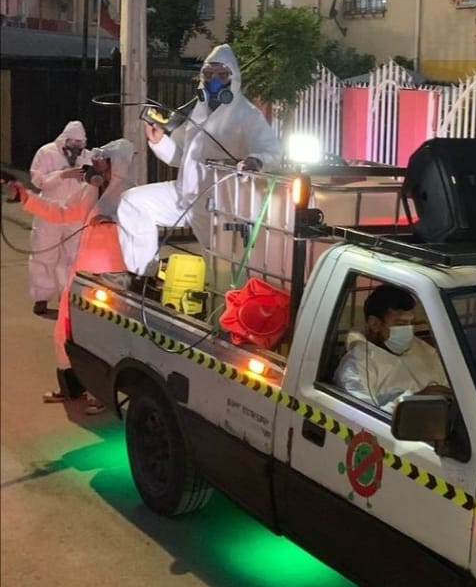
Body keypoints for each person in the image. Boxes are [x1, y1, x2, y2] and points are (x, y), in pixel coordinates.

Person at [116, 43, 280, 276]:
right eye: (208, 74)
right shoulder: (197, 112)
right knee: (133, 203)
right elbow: (180, 158)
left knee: (221, 264)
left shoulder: (247, 115)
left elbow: (271, 151)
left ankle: (225, 303)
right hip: (184, 194)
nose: (214, 80)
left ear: (232, 79)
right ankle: (143, 275)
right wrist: (158, 141)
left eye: (221, 75)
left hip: (218, 204)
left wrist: (255, 161)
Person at [9, 139, 135, 409]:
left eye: (102, 161)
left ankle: (101, 395)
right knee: (64, 330)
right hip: (82, 274)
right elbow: (62, 212)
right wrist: (27, 198)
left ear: (116, 165)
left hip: (111, 278)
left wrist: (112, 223)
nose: (94, 165)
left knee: (101, 337)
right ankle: (70, 387)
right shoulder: (91, 191)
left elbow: (142, 236)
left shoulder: (130, 196)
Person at [334, 284, 450, 411]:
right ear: (375, 324)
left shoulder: (421, 348)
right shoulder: (357, 366)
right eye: (400, 324)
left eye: (411, 322)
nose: (408, 329)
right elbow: (363, 417)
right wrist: (415, 401)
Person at [27, 119, 90, 315]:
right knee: (44, 254)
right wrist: (62, 175)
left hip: (75, 213)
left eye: (80, 143)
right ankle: (41, 297)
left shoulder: (87, 157)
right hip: (50, 211)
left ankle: (68, 296)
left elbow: (93, 185)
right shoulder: (47, 153)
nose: (76, 147)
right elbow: (38, 180)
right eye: (72, 142)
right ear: (64, 139)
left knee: (73, 257)